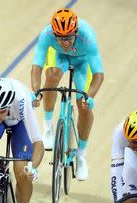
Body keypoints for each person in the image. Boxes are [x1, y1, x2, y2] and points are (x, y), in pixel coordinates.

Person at [31, 8, 104, 181]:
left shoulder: (87, 37)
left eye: (69, 38)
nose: (65, 43)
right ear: (54, 34)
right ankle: (48, 128)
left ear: (76, 33)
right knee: (51, 76)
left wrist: (89, 96)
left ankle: (81, 156)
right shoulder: (46, 35)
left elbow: (98, 75)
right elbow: (37, 67)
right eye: (61, 38)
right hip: (59, 58)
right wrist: (36, 92)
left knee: (84, 107)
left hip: (82, 62)